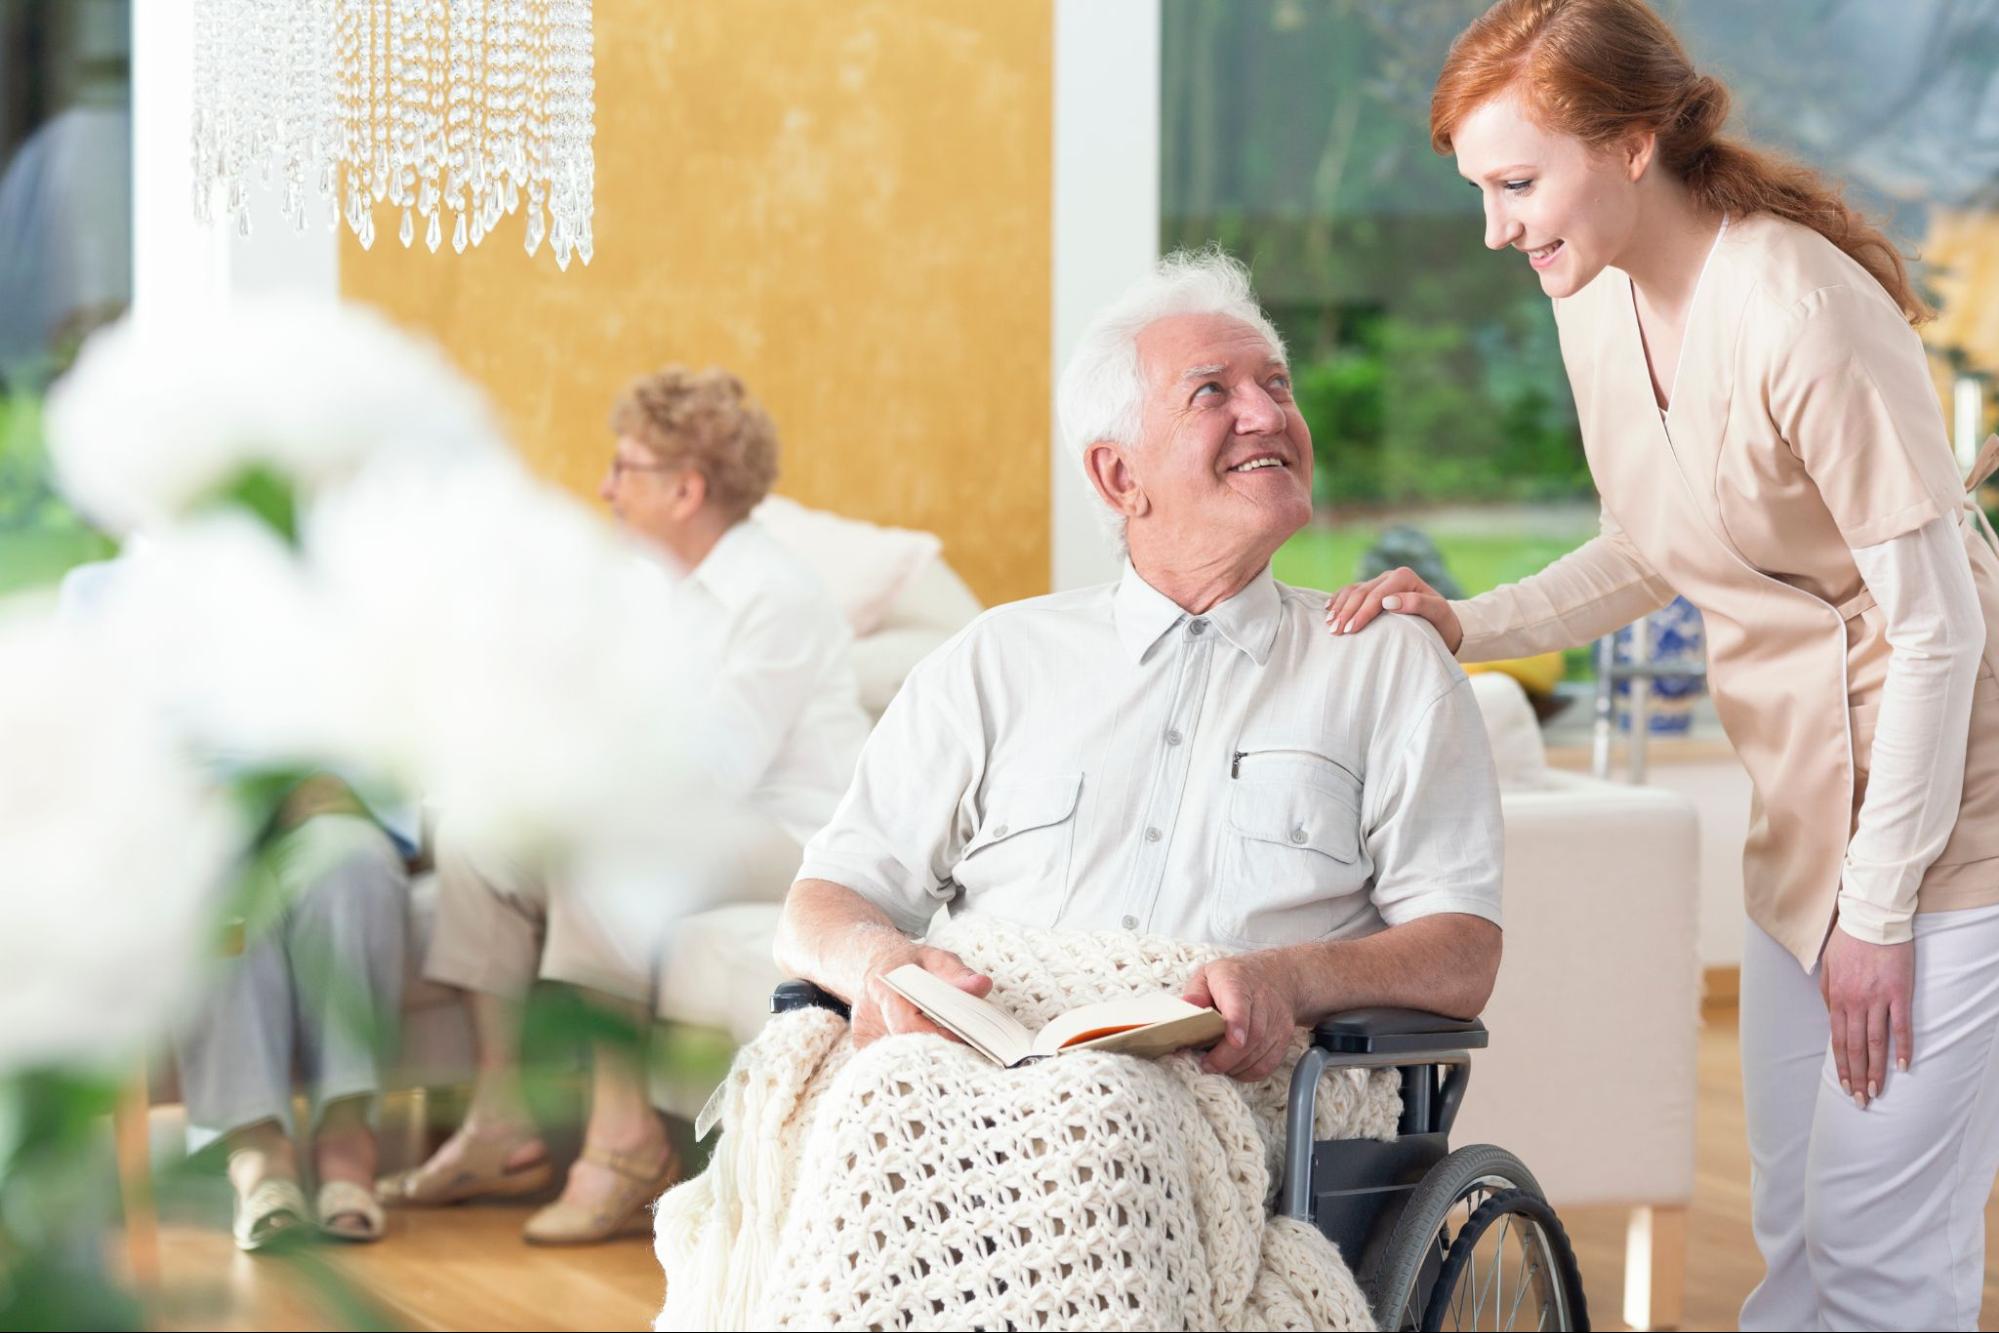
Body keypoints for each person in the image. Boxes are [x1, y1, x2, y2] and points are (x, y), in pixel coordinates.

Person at [1324, 3, 1999, 1327]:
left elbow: (1935, 629)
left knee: (1877, 1251)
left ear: (1631, 145)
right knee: (1795, 1227)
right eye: (1478, 190)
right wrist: (1465, 622)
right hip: (1803, 805)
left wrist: (1880, 911)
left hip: (1947, 821)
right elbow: (1648, 546)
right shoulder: (1599, 302)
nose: (1494, 228)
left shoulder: (1801, 308)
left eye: (1516, 184)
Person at [777, 248, 1503, 1079]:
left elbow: (1462, 950)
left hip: (1234, 1089)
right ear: (1119, 474)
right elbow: (822, 901)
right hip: (984, 1070)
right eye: (1212, 392)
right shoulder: (993, 660)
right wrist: (880, 966)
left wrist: (1289, 980)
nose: (1266, 415)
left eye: (1276, 385)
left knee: (1104, 1111)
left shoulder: (1384, 663)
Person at [382, 367, 869, 1244]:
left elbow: (712, 768)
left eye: (626, 468)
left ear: (685, 488)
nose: (605, 487)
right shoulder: (648, 586)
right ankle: (501, 1120)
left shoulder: (776, 596)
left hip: (795, 836)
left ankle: (625, 1139)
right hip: (693, 814)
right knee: (479, 837)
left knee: (605, 845)